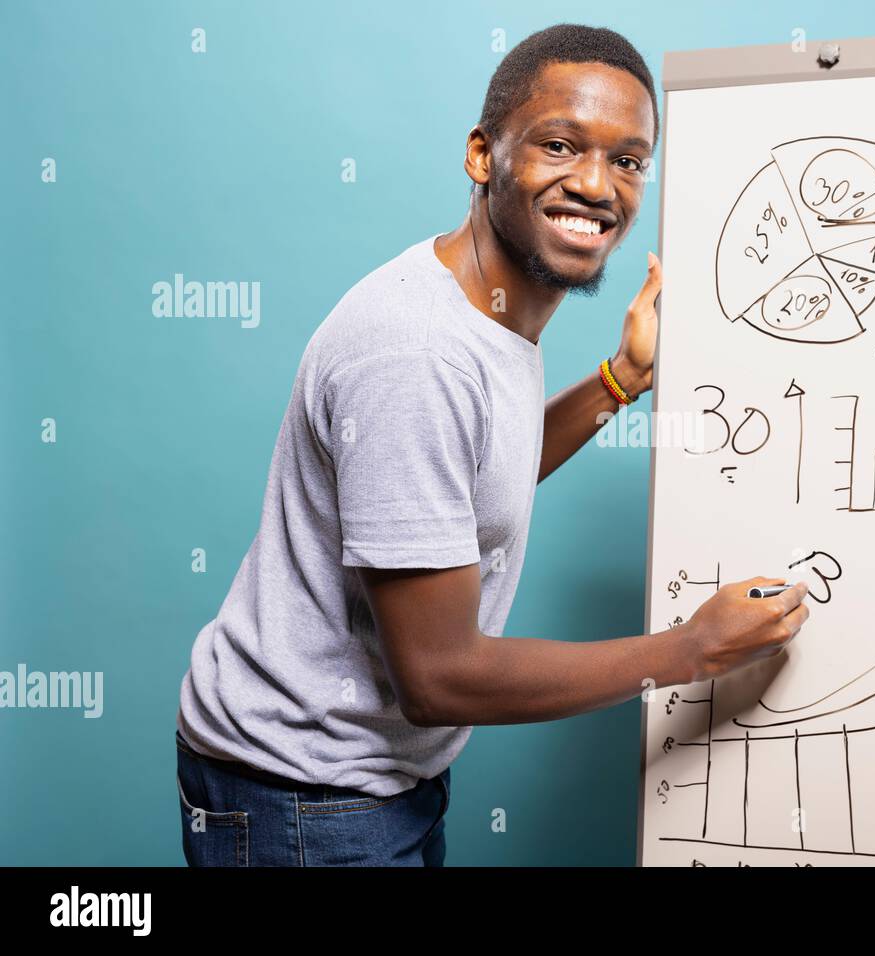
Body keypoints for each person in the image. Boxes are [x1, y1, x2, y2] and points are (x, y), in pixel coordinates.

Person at [174, 23, 810, 867]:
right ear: (483, 155)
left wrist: (621, 377)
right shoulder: (417, 355)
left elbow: (472, 478)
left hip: (365, 782)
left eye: (627, 160)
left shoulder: (485, 306)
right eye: (559, 144)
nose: (596, 184)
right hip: (305, 797)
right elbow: (440, 678)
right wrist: (687, 651)